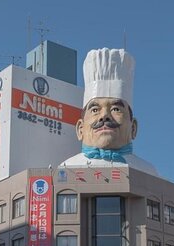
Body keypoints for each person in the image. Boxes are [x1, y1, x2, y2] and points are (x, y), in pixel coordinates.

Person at [60, 48, 158, 176]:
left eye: (115, 109)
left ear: (133, 128)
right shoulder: (66, 169)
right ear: (80, 129)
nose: (104, 116)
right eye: (95, 110)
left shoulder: (148, 173)